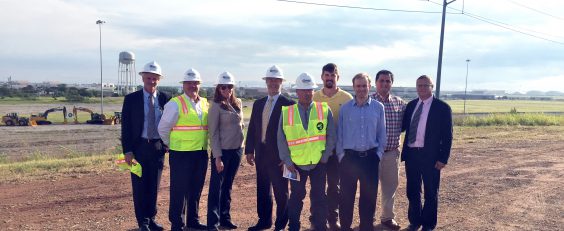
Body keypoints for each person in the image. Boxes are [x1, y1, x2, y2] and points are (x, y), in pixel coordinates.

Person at [278, 73, 336, 231]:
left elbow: (332, 135)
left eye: (310, 89)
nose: (307, 93)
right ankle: (294, 227)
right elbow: (281, 139)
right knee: (296, 198)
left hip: (318, 163)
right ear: (297, 91)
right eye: (303, 90)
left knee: (319, 197)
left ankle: (320, 226)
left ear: (313, 91)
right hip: (295, 165)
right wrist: (288, 161)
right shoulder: (287, 112)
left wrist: (325, 157)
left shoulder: (323, 110)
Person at [121, 61, 171, 231]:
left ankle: (151, 219)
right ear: (142, 78)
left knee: (154, 186)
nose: (151, 81)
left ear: (159, 79)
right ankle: (142, 222)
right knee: (139, 186)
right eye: (148, 78)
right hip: (137, 149)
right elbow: (125, 127)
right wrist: (127, 151)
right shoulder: (131, 99)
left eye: (154, 78)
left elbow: (171, 123)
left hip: (157, 148)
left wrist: (167, 144)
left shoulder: (166, 98)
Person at [158, 68, 209, 231]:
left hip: (200, 153)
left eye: (195, 83)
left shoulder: (205, 103)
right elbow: (163, 128)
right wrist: (170, 145)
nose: (192, 86)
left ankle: (193, 220)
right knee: (179, 189)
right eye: (189, 83)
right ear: (183, 85)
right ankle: (177, 223)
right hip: (181, 154)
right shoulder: (175, 103)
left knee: (196, 188)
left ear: (199, 85)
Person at [245, 65, 295, 231]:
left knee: (281, 192)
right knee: (263, 189)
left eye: (276, 80)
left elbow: (293, 134)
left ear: (281, 82)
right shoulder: (259, 104)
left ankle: (280, 224)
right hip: (261, 154)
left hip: (280, 157)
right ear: (266, 82)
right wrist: (249, 150)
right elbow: (252, 127)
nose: (273, 83)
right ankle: (264, 221)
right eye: (270, 80)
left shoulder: (289, 105)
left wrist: (288, 157)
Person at [402, 75, 453, 231]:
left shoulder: (442, 107)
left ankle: (428, 224)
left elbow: (448, 135)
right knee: (412, 190)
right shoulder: (411, 106)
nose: (422, 88)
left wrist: (443, 158)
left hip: (431, 156)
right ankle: (415, 221)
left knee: (431, 192)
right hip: (412, 154)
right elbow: (403, 127)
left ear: (432, 87)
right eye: (419, 85)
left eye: (425, 85)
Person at [337, 73, 387, 231]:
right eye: (358, 86)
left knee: (368, 197)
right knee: (346, 197)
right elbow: (340, 135)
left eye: (364, 85)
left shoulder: (378, 108)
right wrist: (341, 156)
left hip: (370, 159)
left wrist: (378, 155)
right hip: (349, 159)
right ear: (353, 87)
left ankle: (366, 227)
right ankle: (345, 227)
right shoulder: (345, 109)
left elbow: (382, 134)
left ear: (369, 86)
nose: (361, 89)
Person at [312, 63, 353, 230]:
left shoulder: (347, 98)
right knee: (317, 186)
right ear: (322, 77)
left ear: (338, 77)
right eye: (326, 75)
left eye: (333, 75)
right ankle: (315, 218)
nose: (329, 78)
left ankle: (332, 218)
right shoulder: (314, 97)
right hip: (317, 150)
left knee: (334, 186)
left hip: (338, 151)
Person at [206, 72, 244, 231]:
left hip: (236, 150)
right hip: (222, 152)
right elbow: (213, 133)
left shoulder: (238, 103)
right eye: (223, 87)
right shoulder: (215, 106)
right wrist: (217, 157)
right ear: (218, 88)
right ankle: (212, 223)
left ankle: (225, 219)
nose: (227, 89)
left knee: (227, 186)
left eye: (230, 86)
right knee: (216, 187)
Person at [371, 70, 405, 231]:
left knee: (390, 187)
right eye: (381, 81)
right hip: (372, 154)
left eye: (387, 81)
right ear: (376, 83)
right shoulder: (368, 101)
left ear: (391, 83)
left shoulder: (399, 103)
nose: (384, 84)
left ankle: (387, 218)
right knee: (369, 187)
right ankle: (368, 217)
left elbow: (407, 124)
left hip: (392, 153)